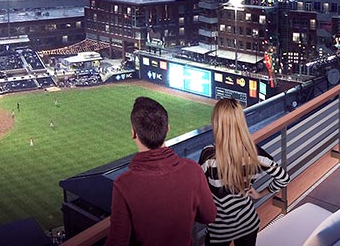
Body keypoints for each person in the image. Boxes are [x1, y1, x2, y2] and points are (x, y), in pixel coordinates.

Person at [107, 97, 216, 246]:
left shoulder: (124, 184)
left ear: (134, 133)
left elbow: (117, 242)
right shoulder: (193, 170)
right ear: (167, 129)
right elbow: (209, 216)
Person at [200, 99, 290, 246]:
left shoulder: (208, 156)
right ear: (241, 122)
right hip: (248, 223)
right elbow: (284, 178)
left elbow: (199, 191)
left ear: (217, 122)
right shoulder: (256, 154)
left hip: (219, 229)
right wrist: (260, 193)